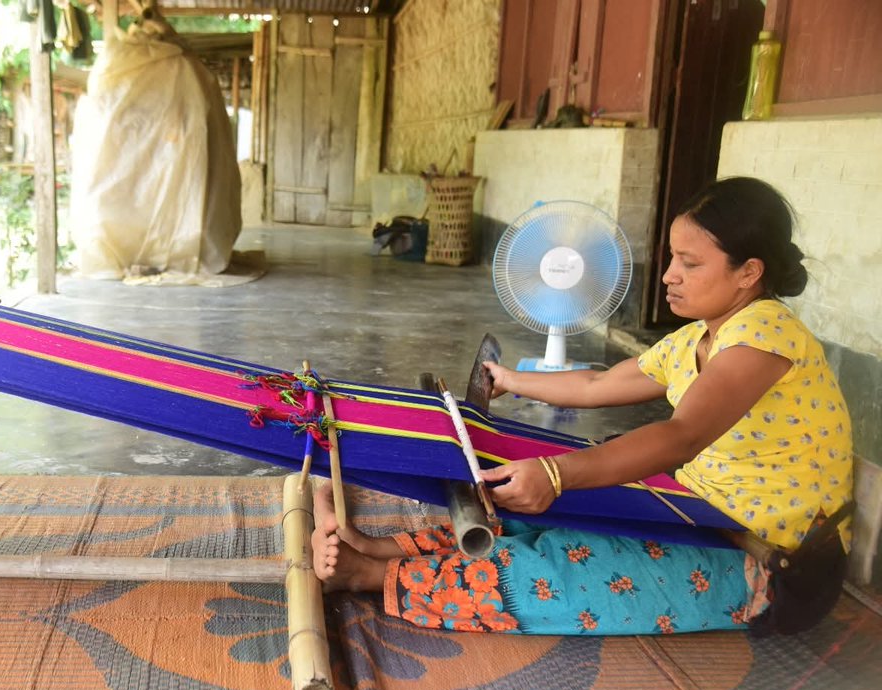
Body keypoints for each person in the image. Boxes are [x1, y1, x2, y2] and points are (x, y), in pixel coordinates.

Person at [313, 177, 854, 636]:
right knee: (529, 513)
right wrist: (512, 381)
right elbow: (598, 383)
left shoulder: (764, 336)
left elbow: (683, 436)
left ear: (749, 272)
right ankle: (381, 550)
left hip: (772, 567)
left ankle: (372, 575)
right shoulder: (697, 338)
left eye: (690, 263)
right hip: (703, 516)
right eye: (673, 258)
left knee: (558, 566)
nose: (668, 274)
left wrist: (557, 474)